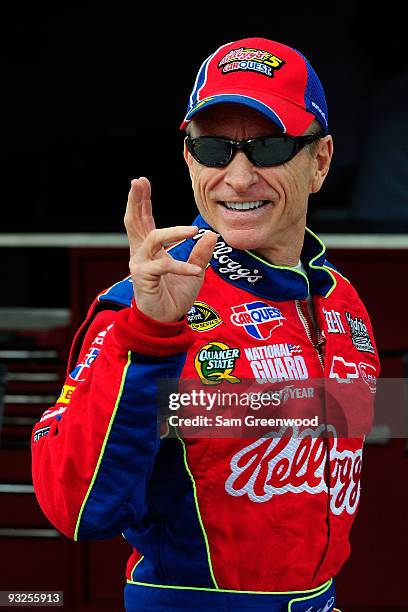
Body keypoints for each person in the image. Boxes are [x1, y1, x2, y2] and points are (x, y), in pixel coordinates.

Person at [31, 37, 379, 611]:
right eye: (216, 149)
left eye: (267, 148)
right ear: (190, 160)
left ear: (319, 161)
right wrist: (149, 337)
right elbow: (78, 510)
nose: (239, 179)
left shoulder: (341, 299)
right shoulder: (145, 305)